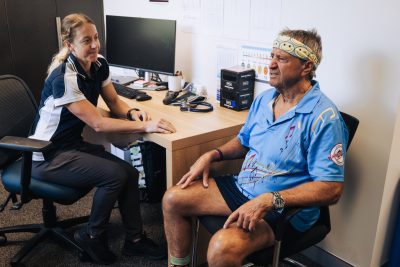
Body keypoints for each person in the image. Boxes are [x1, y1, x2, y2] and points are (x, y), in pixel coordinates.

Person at [162, 28, 349, 267]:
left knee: (221, 247)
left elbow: (331, 189)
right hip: (244, 186)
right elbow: (244, 142)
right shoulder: (264, 99)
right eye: (271, 56)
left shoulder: (324, 117)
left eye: (281, 59)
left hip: (282, 207)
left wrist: (270, 200)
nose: (270, 65)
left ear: (306, 67)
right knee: (173, 199)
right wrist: (213, 154)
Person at [29, 13, 176, 265]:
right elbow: (97, 123)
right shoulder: (65, 76)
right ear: (69, 45)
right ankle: (92, 235)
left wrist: (131, 112)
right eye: (87, 41)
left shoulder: (99, 65)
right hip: (46, 154)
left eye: (96, 38)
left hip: (71, 146)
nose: (95, 45)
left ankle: (135, 240)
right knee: (114, 175)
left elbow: (114, 101)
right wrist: (146, 126)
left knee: (129, 173)